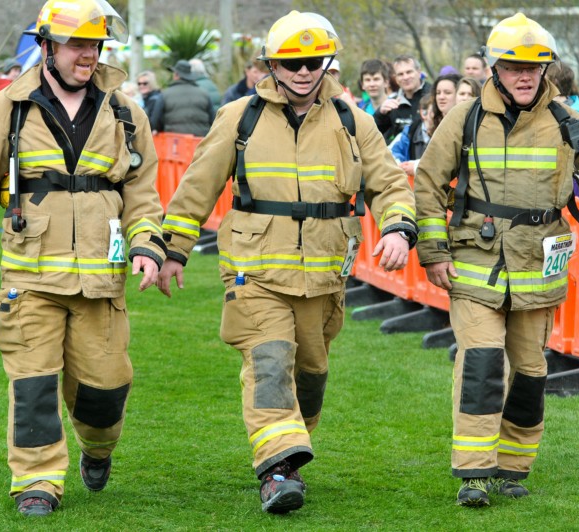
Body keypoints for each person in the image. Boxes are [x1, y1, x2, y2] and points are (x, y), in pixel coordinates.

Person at [157, 10, 417, 514]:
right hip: (254, 275)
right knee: (270, 363)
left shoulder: (353, 121)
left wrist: (397, 228)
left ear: (327, 64)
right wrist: (173, 251)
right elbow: (196, 188)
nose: (303, 72)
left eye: (313, 62)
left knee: (310, 376)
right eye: (291, 63)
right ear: (271, 65)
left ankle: (289, 454)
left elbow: (389, 184)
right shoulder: (239, 117)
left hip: (323, 279)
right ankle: (276, 473)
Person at [0, 0, 166, 517]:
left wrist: (146, 245)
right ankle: (36, 480)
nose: (88, 55)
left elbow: (142, 193)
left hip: (101, 282)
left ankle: (97, 449)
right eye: (76, 45)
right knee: (34, 386)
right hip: (30, 278)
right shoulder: (8, 107)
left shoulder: (126, 112)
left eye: (95, 45)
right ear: (46, 47)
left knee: (104, 396)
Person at [414, 12, 579, 508]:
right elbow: (427, 183)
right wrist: (432, 250)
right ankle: (475, 471)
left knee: (531, 370)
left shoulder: (566, 120)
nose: (525, 76)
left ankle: (513, 466)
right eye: (515, 67)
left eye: (534, 68)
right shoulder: (466, 117)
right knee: (481, 362)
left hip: (538, 268)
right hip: (476, 264)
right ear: (495, 68)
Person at [374, 54, 432, 143]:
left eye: (409, 72)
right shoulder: (393, 102)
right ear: (396, 78)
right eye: (400, 74)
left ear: (419, 72)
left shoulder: (433, 95)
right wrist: (380, 114)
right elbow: (374, 133)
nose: (405, 77)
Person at [155, 59, 214, 136]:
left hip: (174, 141)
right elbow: (213, 121)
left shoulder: (165, 94)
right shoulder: (204, 94)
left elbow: (156, 122)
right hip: (200, 140)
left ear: (176, 75)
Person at [137, 69, 164, 134]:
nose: (141, 86)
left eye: (145, 83)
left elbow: (155, 122)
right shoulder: (146, 99)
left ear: (151, 84)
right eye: (139, 83)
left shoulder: (155, 99)